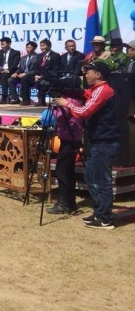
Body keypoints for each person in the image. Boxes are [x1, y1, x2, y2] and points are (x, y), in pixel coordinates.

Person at [53, 61, 119, 229]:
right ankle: (99, 213)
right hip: (97, 140)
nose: (86, 75)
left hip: (104, 141)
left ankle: (105, 218)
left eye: (89, 72)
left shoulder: (103, 90)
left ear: (99, 74)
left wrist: (67, 103)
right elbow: (84, 94)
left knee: (101, 180)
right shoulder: (96, 90)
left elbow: (84, 112)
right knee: (91, 177)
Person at [46, 92, 85, 215]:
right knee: (69, 171)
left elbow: (61, 117)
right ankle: (70, 202)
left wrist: (53, 107)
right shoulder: (78, 99)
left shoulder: (69, 101)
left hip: (69, 137)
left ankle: (62, 203)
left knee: (62, 170)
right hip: (74, 137)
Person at [20, 39, 60, 106]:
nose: (42, 48)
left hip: (50, 76)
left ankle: (41, 101)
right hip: (38, 75)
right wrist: (36, 75)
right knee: (25, 79)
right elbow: (36, 68)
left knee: (41, 81)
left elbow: (55, 69)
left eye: (43, 45)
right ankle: (26, 100)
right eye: (41, 46)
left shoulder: (55, 55)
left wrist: (42, 76)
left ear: (49, 46)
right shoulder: (39, 56)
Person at [0, 36, 21, 104]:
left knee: (4, 76)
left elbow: (15, 65)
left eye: (3, 44)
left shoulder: (15, 53)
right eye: (1, 44)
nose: (2, 46)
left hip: (9, 72)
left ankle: (4, 97)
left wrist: (8, 70)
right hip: (0, 71)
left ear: (9, 44)